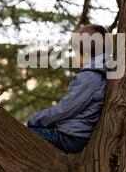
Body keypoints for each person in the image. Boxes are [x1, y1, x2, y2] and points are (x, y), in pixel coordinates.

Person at [27, 23, 110, 154]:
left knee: (30, 132)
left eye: (75, 51)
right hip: (76, 133)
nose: (75, 56)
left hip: (72, 137)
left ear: (86, 52)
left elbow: (65, 109)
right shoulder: (100, 73)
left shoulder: (89, 77)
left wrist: (35, 118)